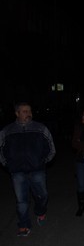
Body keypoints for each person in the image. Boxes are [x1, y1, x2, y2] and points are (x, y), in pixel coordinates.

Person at [0, 102, 56, 237]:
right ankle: (24, 225)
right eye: (24, 111)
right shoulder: (7, 131)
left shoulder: (40, 128)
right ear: (17, 113)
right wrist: (8, 164)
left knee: (42, 196)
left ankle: (40, 212)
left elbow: (51, 148)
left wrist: (42, 162)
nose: (28, 114)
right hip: (17, 172)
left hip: (37, 170)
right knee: (21, 201)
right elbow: (1, 150)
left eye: (29, 111)